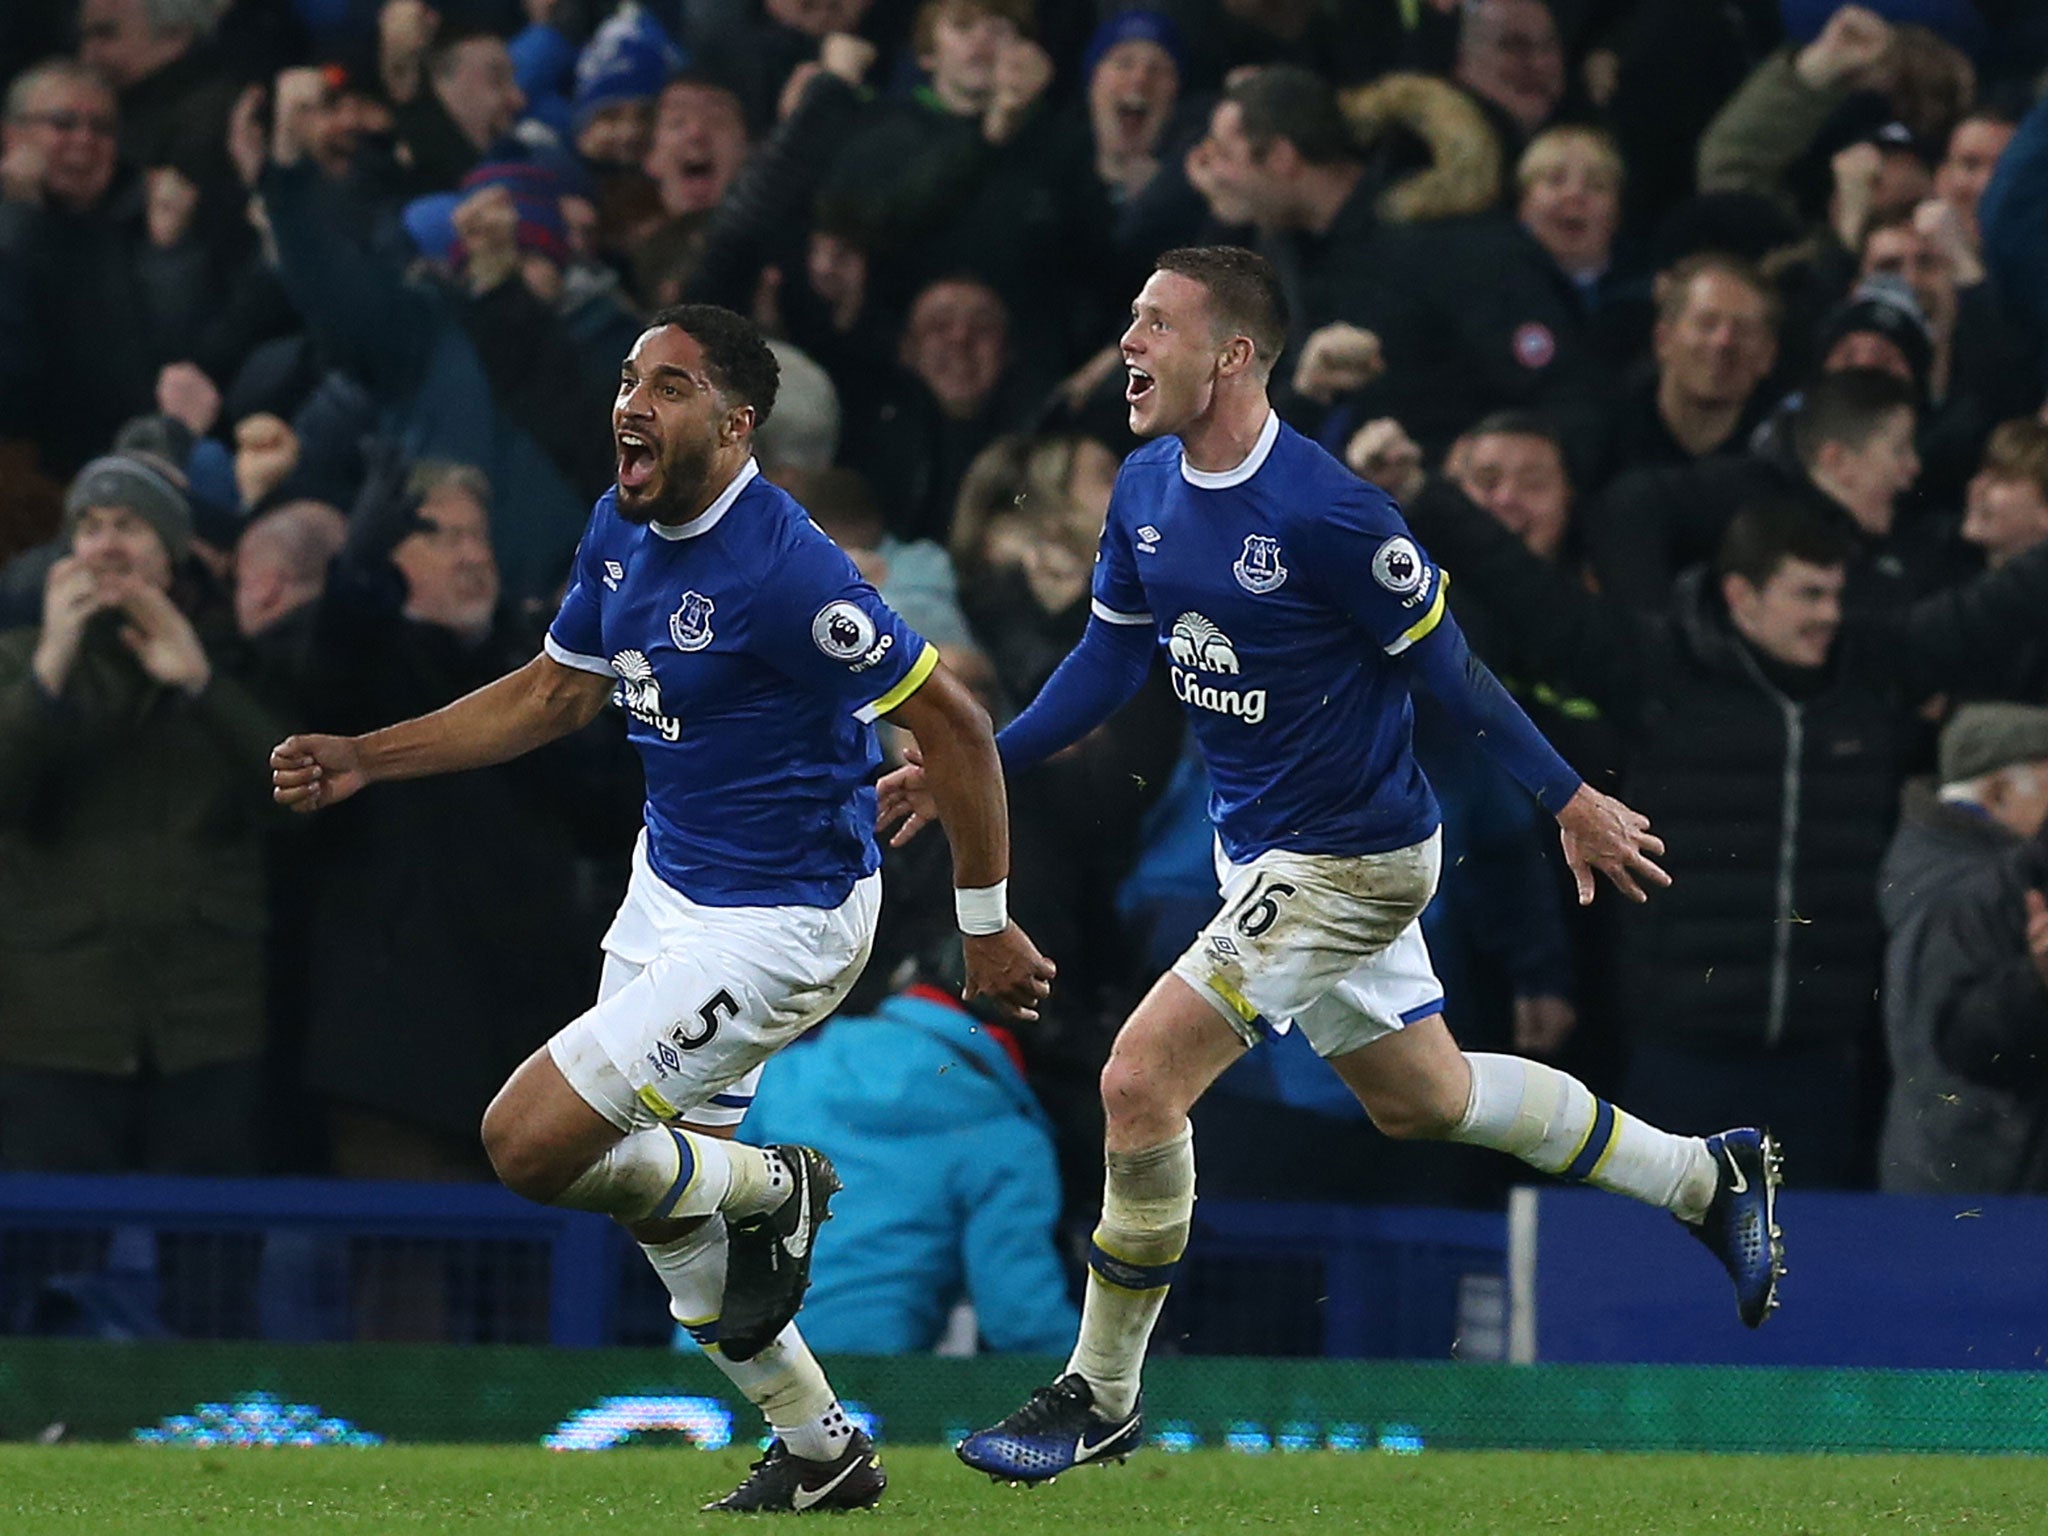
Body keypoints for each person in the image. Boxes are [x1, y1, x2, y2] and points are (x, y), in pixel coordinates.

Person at [877, 247, 1783, 1483]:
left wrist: (1567, 797)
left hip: (1352, 862)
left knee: (1138, 1083)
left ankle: (1097, 1392)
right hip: (1258, 853)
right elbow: (1105, 664)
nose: (1128, 345)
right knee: (1427, 1099)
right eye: (1131, 319)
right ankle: (1703, 1176)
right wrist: (975, 761)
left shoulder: (1329, 510)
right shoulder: (1144, 485)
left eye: (1155, 324)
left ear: (1232, 357)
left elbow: (1448, 670)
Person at [270, 304, 1054, 1512]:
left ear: (737, 425)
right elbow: (549, 694)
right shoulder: (619, 527)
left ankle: (775, 1191)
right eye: (631, 378)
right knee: (652, 1203)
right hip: (668, 886)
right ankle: (819, 1449)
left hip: (781, 920)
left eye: (671, 385)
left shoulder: (787, 569)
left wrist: (987, 920)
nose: (633, 400)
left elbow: (951, 721)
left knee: (528, 1144)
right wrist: (371, 756)